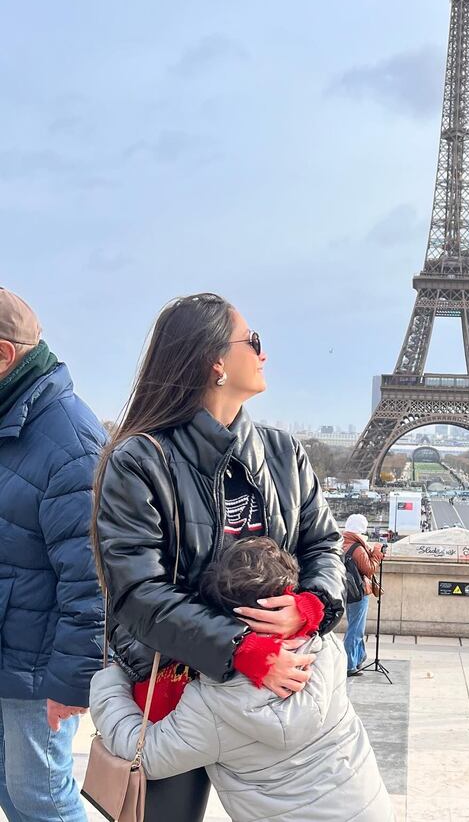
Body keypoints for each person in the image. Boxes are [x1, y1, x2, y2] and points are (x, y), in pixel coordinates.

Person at [93, 293, 346, 819]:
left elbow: (323, 546)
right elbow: (137, 593)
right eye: (253, 342)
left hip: (271, 684)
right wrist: (239, 650)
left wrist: (312, 605)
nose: (264, 354)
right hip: (174, 684)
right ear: (216, 360)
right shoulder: (138, 460)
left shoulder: (283, 452)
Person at [90, 537, 393, 822]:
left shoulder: (216, 705)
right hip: (365, 809)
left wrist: (108, 680)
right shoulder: (326, 648)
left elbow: (142, 754)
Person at [0, 288, 105, 822]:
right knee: (17, 797)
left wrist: (71, 683)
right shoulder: (13, 418)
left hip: (36, 670)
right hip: (11, 656)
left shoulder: (68, 436)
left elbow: (92, 579)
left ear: (4, 355)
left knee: (43, 801)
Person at [343, 514, 385, 677]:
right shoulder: (357, 548)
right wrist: (376, 554)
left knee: (355, 625)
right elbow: (369, 570)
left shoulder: (342, 543)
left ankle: (359, 656)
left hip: (348, 590)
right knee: (356, 628)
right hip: (359, 591)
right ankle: (349, 664)